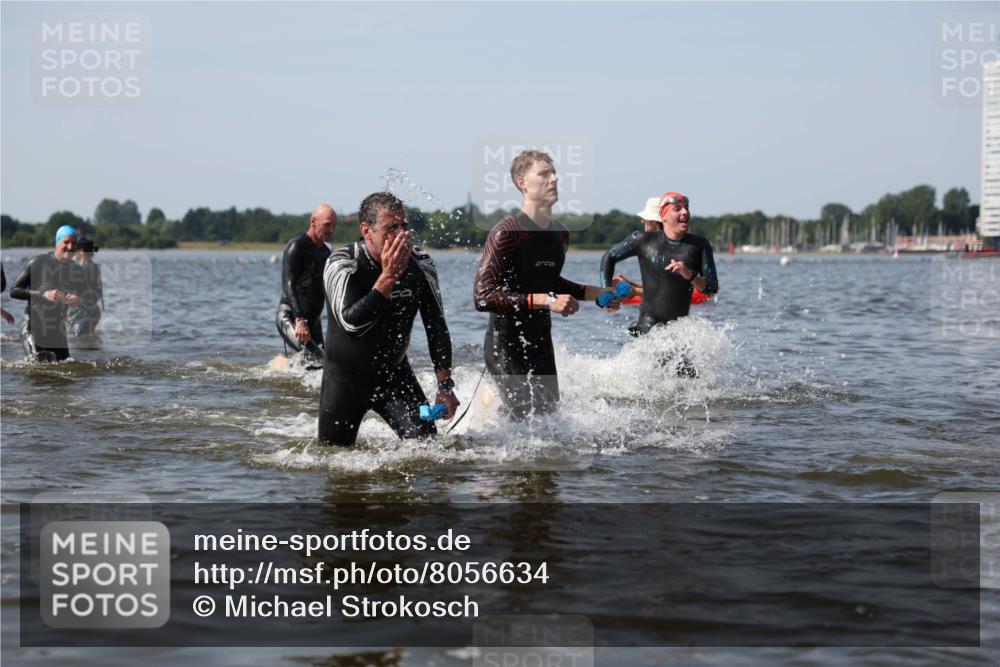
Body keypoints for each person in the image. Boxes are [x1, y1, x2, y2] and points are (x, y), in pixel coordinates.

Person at [473, 150, 619, 421]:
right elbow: (482, 296)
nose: (554, 178)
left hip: (540, 340)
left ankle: (492, 406)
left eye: (554, 173)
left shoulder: (560, 234)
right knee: (524, 419)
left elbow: (549, 281)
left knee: (548, 420)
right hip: (505, 344)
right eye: (544, 173)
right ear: (522, 183)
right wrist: (546, 301)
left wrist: (595, 293)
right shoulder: (507, 232)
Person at [318, 192, 459, 446]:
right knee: (332, 457)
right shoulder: (342, 263)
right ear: (367, 230)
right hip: (345, 381)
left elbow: (436, 326)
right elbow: (351, 324)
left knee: (427, 449)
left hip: (393, 376)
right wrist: (388, 277)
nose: (402, 234)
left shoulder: (421, 264)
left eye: (404, 225)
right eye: (391, 228)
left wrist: (445, 386)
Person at [600, 191, 719, 336]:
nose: (685, 212)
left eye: (686, 208)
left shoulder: (699, 245)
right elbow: (609, 257)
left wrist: (690, 275)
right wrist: (606, 292)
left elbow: (711, 288)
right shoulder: (641, 240)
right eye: (678, 209)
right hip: (648, 328)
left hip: (679, 331)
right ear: (663, 216)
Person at [9, 225, 91, 361]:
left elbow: (90, 300)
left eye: (74, 243)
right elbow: (14, 290)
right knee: (39, 361)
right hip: (32, 325)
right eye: (66, 242)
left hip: (57, 329)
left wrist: (78, 300)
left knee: (65, 369)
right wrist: (43, 295)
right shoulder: (38, 262)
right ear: (57, 243)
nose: (70, 247)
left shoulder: (77, 270)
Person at [276, 204, 336, 366]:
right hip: (291, 317)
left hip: (314, 321)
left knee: (316, 364)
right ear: (313, 222)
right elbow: (289, 284)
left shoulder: (326, 253)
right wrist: (300, 320)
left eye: (334, 226)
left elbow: (329, 289)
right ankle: (281, 365)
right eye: (327, 225)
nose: (331, 230)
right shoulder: (297, 246)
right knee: (318, 361)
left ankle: (281, 366)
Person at [66, 236, 103, 336]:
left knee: (77, 340)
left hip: (81, 312)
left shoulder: (78, 269)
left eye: (75, 250)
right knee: (87, 340)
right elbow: (98, 292)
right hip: (94, 310)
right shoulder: (95, 267)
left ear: (81, 251)